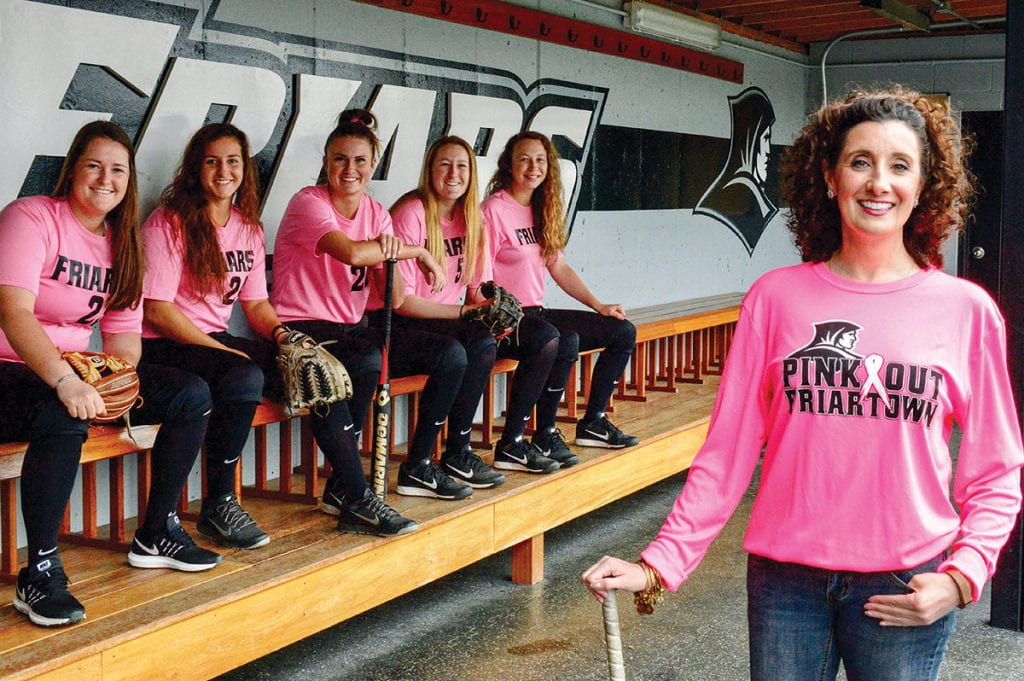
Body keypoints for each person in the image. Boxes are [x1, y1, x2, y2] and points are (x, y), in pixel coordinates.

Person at [582, 86, 1024, 681]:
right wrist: (659, 563)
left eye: (900, 166)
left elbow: (996, 470)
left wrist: (962, 577)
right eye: (860, 161)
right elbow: (727, 451)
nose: (878, 183)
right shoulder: (776, 300)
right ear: (829, 175)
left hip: (906, 582)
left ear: (923, 187)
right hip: (785, 585)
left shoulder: (965, 310)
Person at [0, 121, 221, 628]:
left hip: (76, 372)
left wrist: (114, 381)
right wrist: (65, 381)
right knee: (63, 412)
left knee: (190, 394)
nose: (106, 179)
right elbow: (14, 313)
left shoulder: (123, 241)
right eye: (94, 165)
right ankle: (39, 571)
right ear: (72, 169)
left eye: (117, 169)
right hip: (14, 368)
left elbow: (123, 333)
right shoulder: (31, 217)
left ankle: (158, 530)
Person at [272, 109, 450, 528]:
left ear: (373, 165)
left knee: (373, 352)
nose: (348, 169)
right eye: (339, 159)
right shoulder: (308, 202)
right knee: (342, 367)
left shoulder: (376, 213)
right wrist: (416, 251)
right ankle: (356, 493)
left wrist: (386, 259)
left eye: (359, 160)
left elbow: (397, 295)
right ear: (325, 163)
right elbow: (351, 252)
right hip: (302, 328)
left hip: (349, 330)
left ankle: (343, 486)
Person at [141, 122, 311, 549]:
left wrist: (284, 337)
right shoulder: (169, 223)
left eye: (233, 161)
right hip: (166, 345)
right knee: (242, 374)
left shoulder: (247, 227)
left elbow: (254, 305)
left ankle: (349, 486)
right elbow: (157, 309)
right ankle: (219, 501)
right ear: (195, 169)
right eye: (212, 161)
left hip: (213, 340)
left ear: (244, 169)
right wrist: (223, 350)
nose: (223, 170)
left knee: (306, 370)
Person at [388, 136, 565, 486]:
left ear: (471, 173)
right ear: (429, 170)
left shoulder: (470, 218)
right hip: (405, 323)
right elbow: (401, 302)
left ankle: (461, 451)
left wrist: (490, 308)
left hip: (445, 319)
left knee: (526, 337)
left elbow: (474, 288)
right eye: (444, 165)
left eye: (462, 166)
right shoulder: (413, 212)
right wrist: (469, 315)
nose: (453, 174)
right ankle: (420, 464)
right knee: (462, 349)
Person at [483, 131, 639, 470]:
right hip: (506, 317)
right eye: (524, 159)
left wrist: (599, 305)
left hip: (537, 313)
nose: (532, 167)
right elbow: (481, 278)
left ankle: (593, 422)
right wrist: (493, 314)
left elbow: (559, 265)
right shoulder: (494, 210)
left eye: (540, 160)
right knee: (561, 338)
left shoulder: (542, 208)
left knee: (622, 330)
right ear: (509, 164)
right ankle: (531, 436)